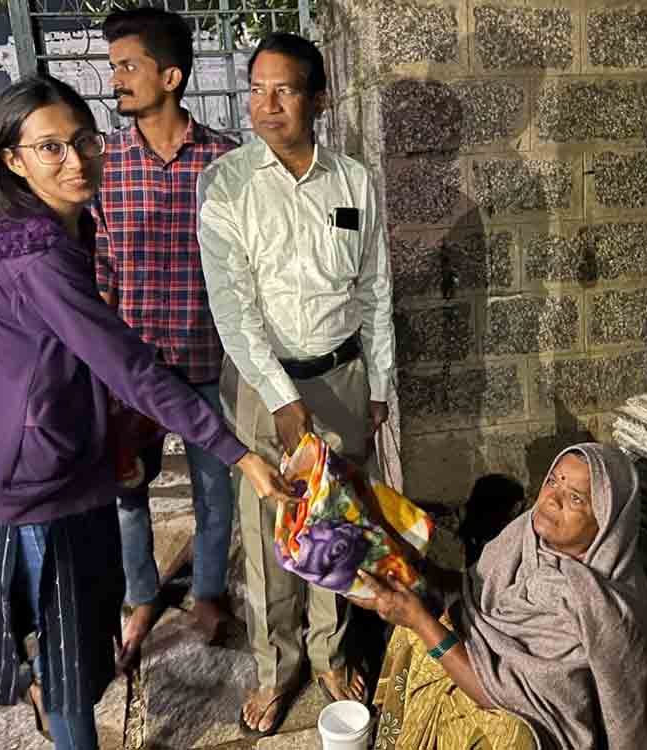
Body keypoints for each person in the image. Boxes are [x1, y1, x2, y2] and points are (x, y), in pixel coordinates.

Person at [0, 74, 294, 750]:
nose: (76, 161)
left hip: (52, 451)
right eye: (50, 148)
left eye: (84, 141)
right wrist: (241, 455)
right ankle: (59, 709)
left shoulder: (58, 227)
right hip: (35, 477)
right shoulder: (34, 257)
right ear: (13, 161)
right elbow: (128, 367)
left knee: (78, 630)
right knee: (69, 655)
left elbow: (71, 360)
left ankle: (50, 685)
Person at [198, 31, 395, 735]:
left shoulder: (353, 182)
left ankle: (330, 653)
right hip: (262, 386)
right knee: (269, 532)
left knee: (334, 523)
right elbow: (233, 308)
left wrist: (379, 384)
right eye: (256, 90)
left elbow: (374, 289)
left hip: (341, 377)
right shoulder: (227, 184)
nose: (266, 104)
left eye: (283, 90)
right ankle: (274, 668)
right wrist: (282, 399)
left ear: (320, 99)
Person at [353, 444, 647, 750]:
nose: (552, 499)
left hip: (519, 711)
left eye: (575, 498)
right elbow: (469, 593)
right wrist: (411, 575)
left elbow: (500, 695)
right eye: (553, 481)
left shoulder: (592, 604)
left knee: (508, 735)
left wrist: (419, 619)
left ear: (606, 526)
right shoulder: (525, 537)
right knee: (415, 633)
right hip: (484, 667)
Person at [94, 7, 241, 660]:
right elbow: (102, 267)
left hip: (209, 360)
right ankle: (142, 594)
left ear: (171, 76)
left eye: (128, 66)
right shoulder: (105, 165)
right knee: (127, 488)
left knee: (215, 490)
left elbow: (244, 265)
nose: (116, 80)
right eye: (114, 67)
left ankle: (208, 590)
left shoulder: (225, 161)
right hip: (134, 368)